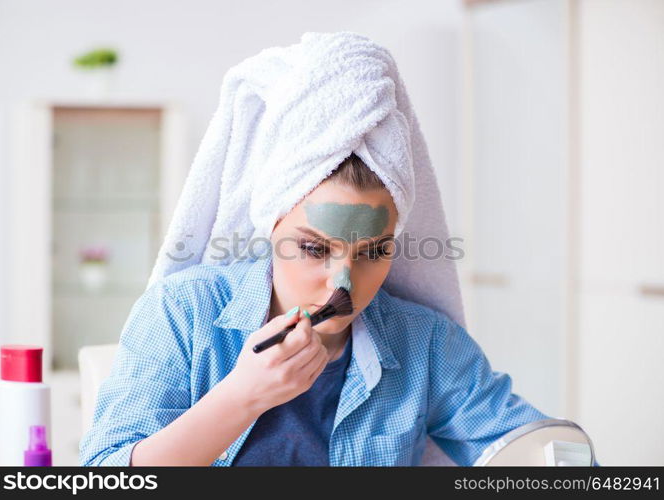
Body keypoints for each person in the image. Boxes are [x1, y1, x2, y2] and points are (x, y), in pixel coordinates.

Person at [78, 153, 551, 466]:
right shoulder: (183, 312)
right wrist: (242, 397)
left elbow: (534, 452)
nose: (342, 281)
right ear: (271, 226)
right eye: (313, 248)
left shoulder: (425, 344)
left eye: (371, 253)